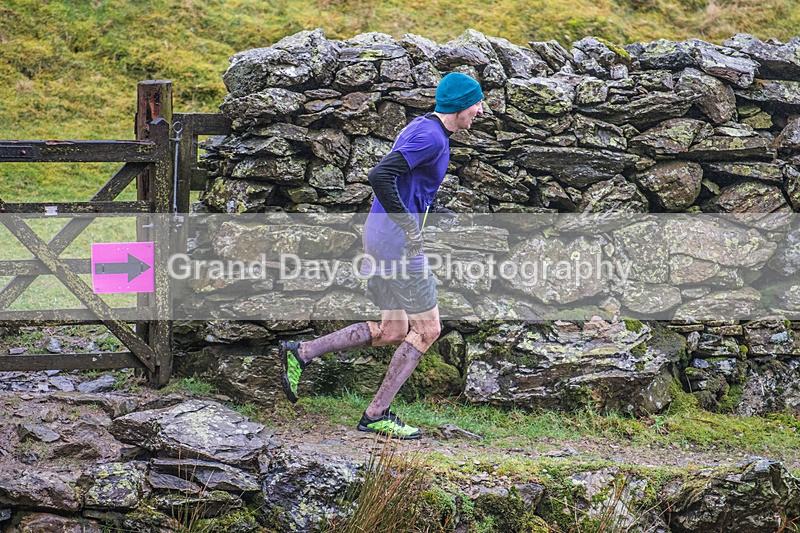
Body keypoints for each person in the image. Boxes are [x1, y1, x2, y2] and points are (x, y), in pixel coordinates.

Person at [279, 72, 484, 439]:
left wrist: (430, 215)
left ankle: (302, 352)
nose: (480, 110)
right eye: (476, 103)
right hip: (398, 245)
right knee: (428, 329)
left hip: (382, 237)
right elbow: (380, 175)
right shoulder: (431, 136)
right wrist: (409, 226)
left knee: (393, 330)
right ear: (459, 106)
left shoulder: (424, 129)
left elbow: (405, 186)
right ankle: (376, 414)